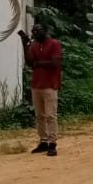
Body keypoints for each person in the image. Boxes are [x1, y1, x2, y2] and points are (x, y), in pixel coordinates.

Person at [18, 24, 63, 156]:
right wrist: (25, 45)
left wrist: (39, 63)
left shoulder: (54, 44)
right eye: (33, 32)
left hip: (50, 84)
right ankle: (43, 141)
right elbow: (30, 62)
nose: (35, 34)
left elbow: (55, 63)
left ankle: (52, 143)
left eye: (37, 31)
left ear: (45, 31)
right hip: (36, 85)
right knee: (39, 116)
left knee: (50, 115)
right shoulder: (34, 45)